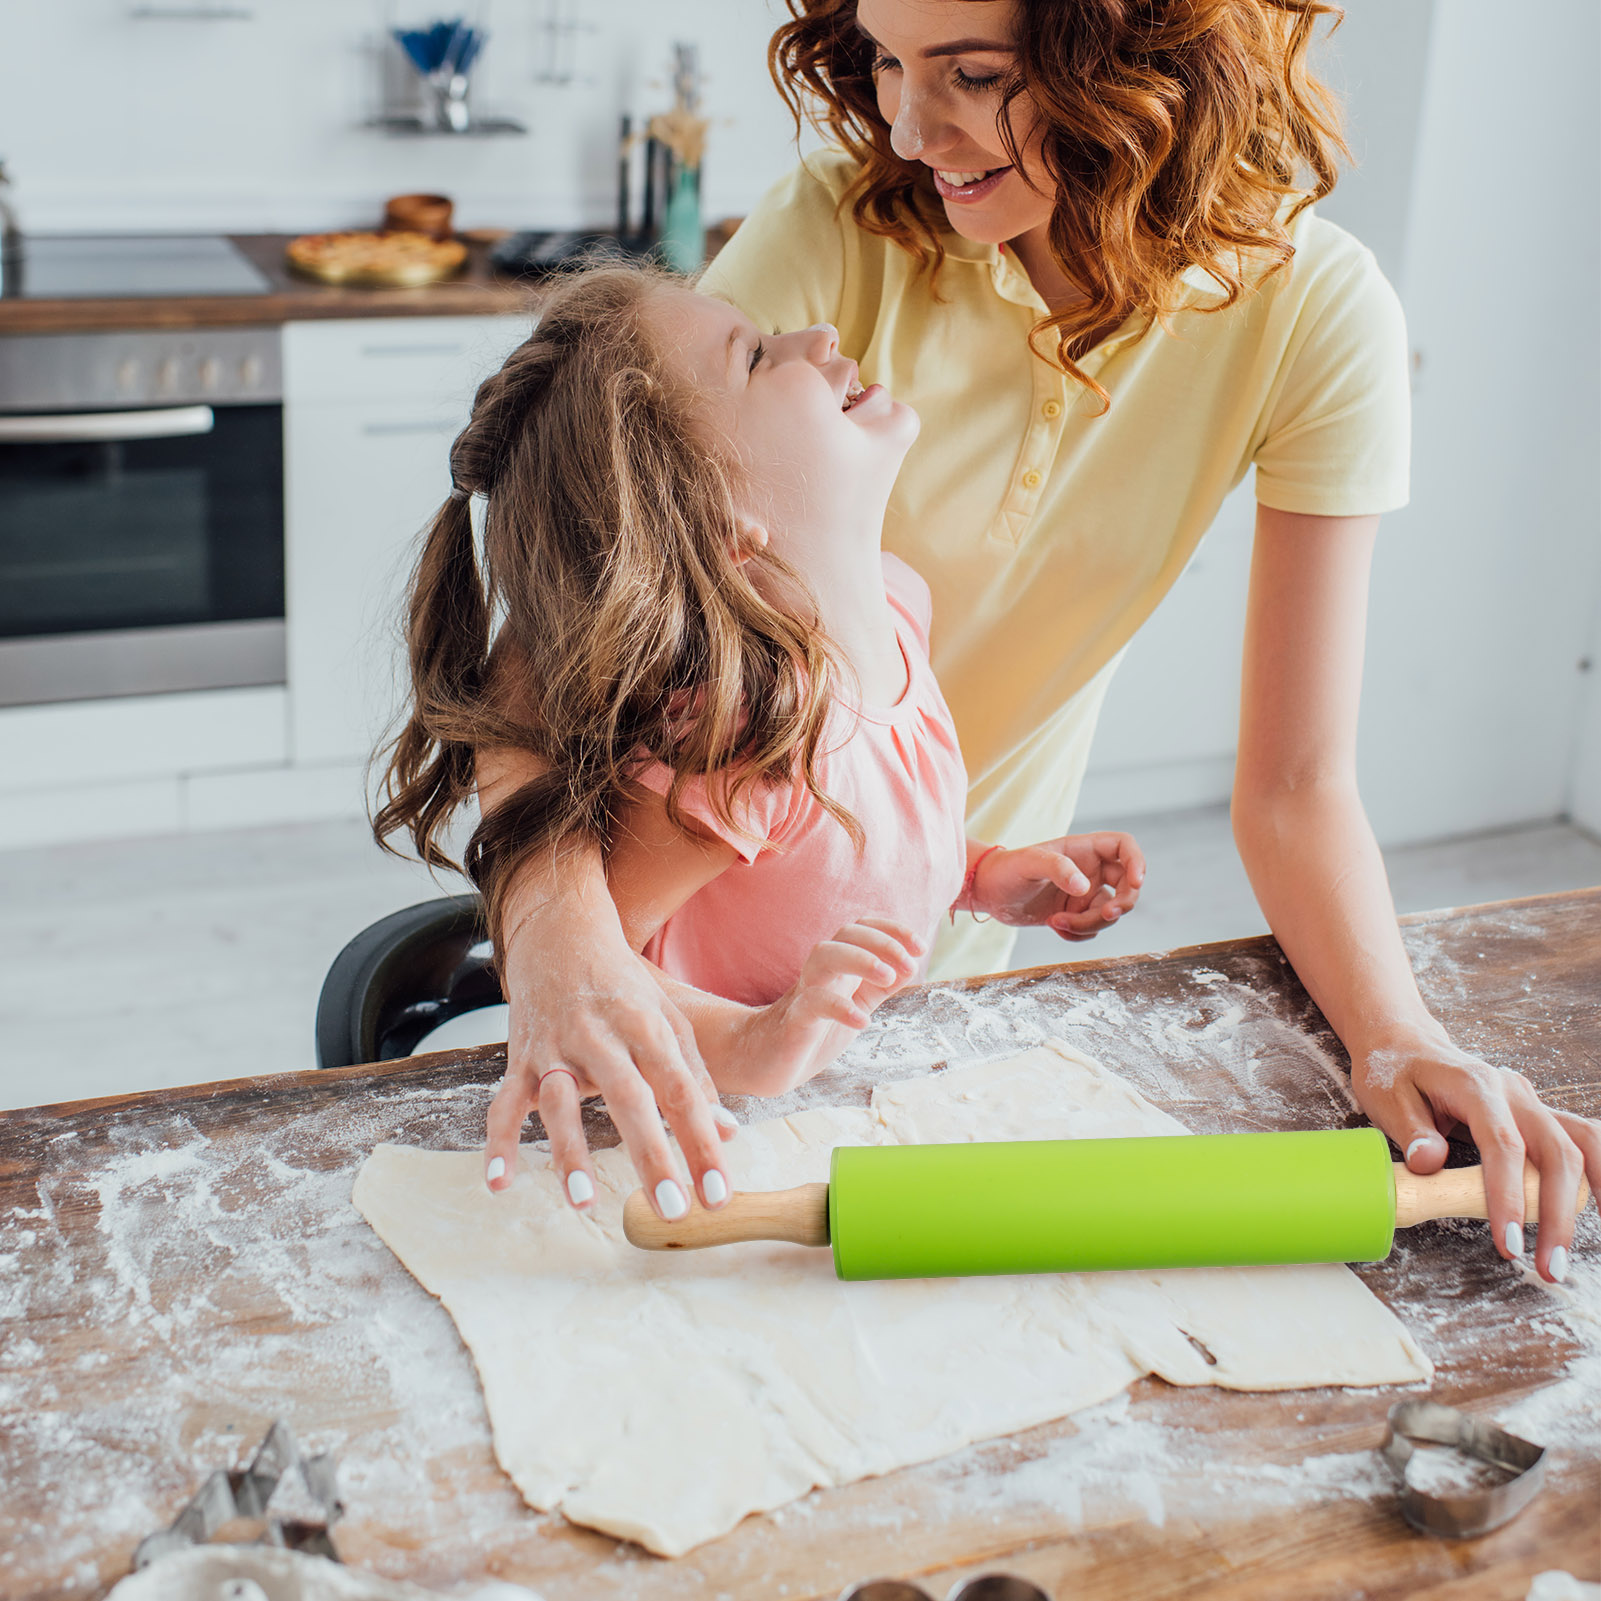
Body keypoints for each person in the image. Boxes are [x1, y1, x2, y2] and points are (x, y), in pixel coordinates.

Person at [469, 0, 1596, 1286]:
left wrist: (1393, 1035)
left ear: (1141, 60)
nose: (903, 123)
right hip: (700, 990)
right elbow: (573, 622)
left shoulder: (1312, 316)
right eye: (887, 61)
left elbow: (1295, 785)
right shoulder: (835, 230)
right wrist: (566, 942)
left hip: (935, 963)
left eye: (974, 73)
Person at [374, 260, 1146, 1221]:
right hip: (689, 1141)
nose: (815, 340)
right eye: (754, 357)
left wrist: (981, 874)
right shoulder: (745, 740)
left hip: (829, 1117)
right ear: (713, 512)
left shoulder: (898, 604)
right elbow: (601, 970)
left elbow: (850, 853)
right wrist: (751, 1041)